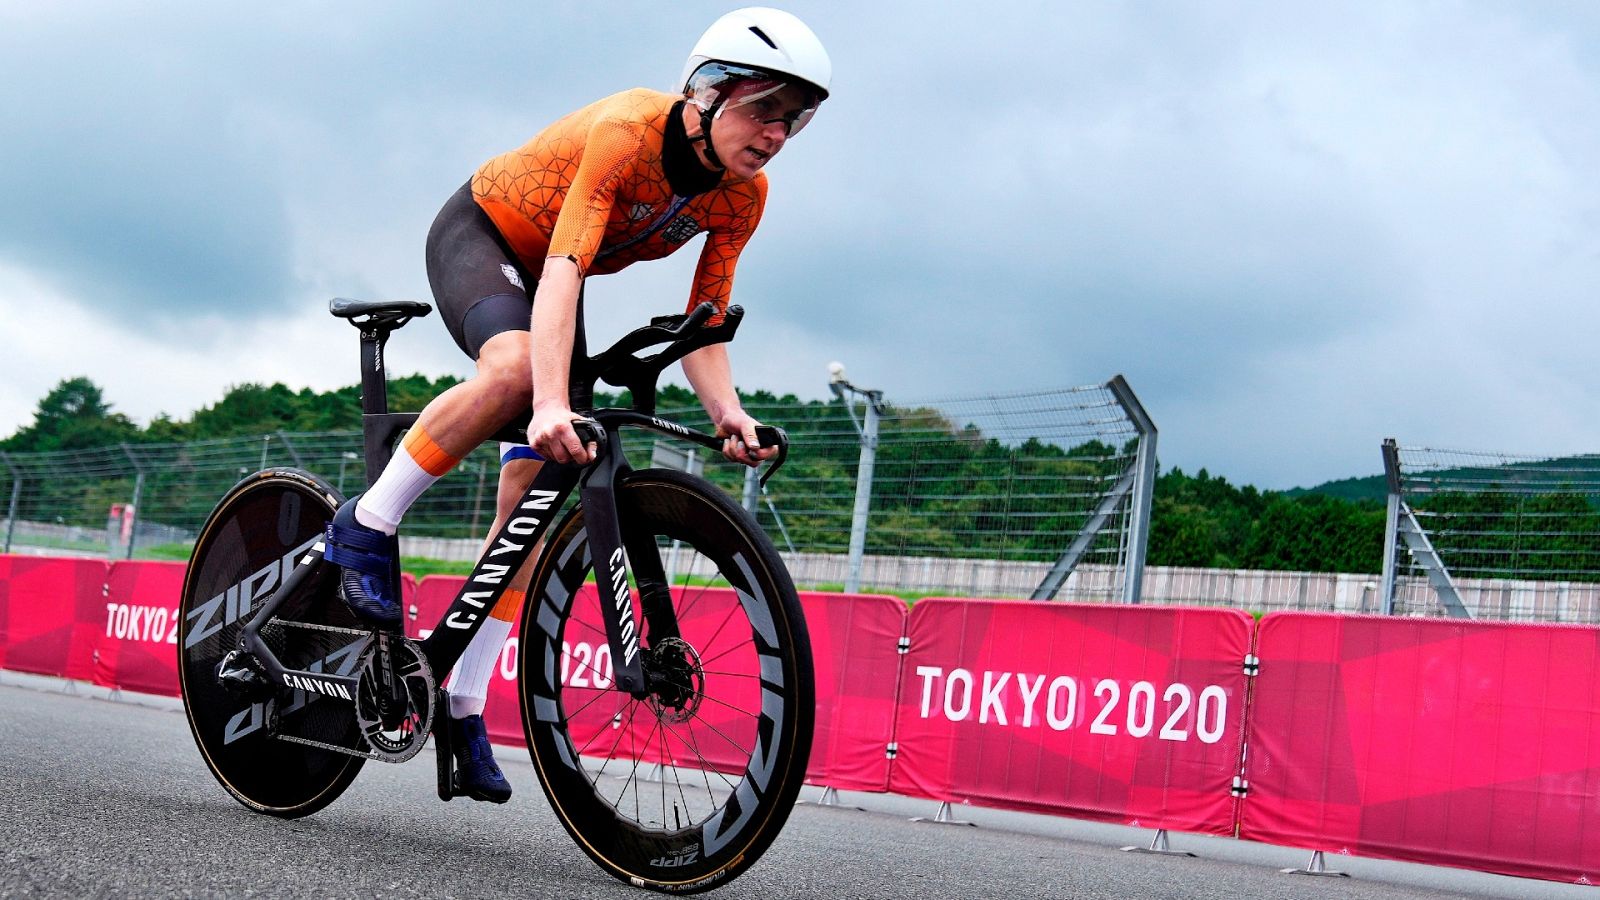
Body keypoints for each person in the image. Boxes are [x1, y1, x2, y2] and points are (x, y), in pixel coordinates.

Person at [321, 7, 832, 804]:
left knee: (533, 501)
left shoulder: (743, 196)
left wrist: (729, 410)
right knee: (522, 371)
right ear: (706, 93)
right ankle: (366, 521)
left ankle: (460, 700)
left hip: (565, 273)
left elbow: (705, 322)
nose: (777, 134)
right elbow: (562, 268)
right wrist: (550, 400)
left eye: (794, 120)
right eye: (765, 109)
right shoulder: (630, 130)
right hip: (491, 234)